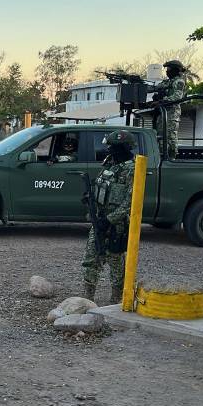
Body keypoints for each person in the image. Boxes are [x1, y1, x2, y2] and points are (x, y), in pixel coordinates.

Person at [82, 130, 136, 303]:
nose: (109, 150)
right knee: (91, 259)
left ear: (124, 148)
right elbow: (102, 186)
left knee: (116, 263)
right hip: (99, 220)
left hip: (116, 225)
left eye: (113, 147)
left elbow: (130, 202)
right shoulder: (110, 164)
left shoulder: (132, 170)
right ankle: (87, 299)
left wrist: (110, 220)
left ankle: (116, 301)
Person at [153, 60, 188, 159]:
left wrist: (160, 101)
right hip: (164, 112)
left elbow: (177, 97)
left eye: (168, 69)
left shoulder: (179, 81)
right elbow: (156, 87)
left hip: (172, 113)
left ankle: (172, 157)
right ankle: (162, 155)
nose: (167, 71)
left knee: (170, 136)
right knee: (160, 134)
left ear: (175, 70)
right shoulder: (169, 82)